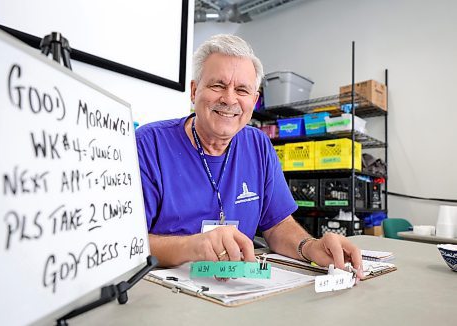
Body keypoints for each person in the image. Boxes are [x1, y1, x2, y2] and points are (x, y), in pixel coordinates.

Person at [136, 34, 363, 280]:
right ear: (194, 91)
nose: (230, 99)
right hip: (165, 292)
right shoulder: (149, 144)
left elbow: (277, 225)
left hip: (236, 292)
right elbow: (128, 242)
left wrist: (309, 246)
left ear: (254, 101)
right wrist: (192, 247)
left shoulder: (259, 144)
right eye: (217, 85)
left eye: (242, 90)